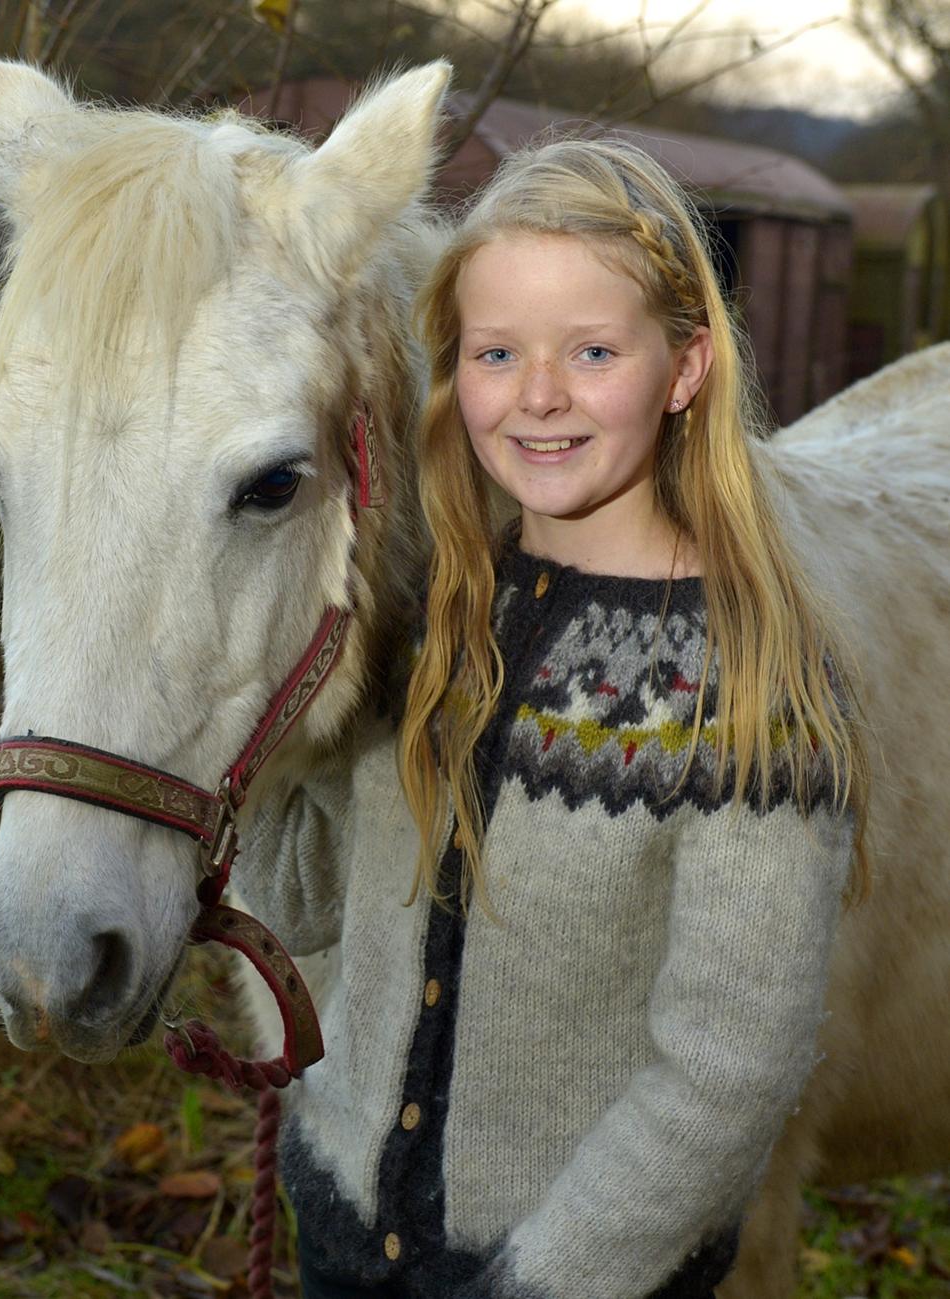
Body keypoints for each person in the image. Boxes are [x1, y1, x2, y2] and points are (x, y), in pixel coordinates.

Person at [237, 136, 865, 1299]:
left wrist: (547, 1282)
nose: (537, 395)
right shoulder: (429, 622)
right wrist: (285, 732)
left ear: (685, 368)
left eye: (591, 350)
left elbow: (729, 1073)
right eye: (496, 352)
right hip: (341, 1245)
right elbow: (301, 911)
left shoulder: (754, 696)